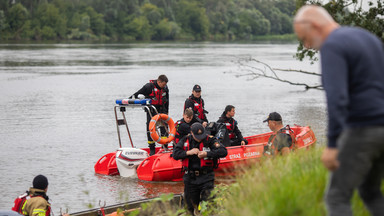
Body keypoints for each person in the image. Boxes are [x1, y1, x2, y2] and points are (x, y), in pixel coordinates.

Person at [294, 5, 384, 216]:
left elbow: (337, 98)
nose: (307, 45)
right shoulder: (367, 37)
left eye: (305, 38)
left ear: (315, 26)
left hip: (363, 129)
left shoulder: (332, 45)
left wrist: (333, 144)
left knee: (336, 197)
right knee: (370, 191)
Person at [172, 123, 228, 215]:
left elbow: (223, 151)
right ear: (192, 133)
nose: (200, 138)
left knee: (209, 205)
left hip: (206, 177)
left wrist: (207, 154)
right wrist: (188, 152)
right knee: (188, 207)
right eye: (197, 136)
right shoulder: (185, 140)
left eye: (201, 135)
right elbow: (175, 154)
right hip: (190, 178)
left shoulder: (209, 139)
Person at [130, 75, 169, 155]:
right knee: (150, 129)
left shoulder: (165, 88)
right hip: (151, 110)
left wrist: (167, 112)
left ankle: (165, 146)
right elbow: (136, 94)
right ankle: (152, 149)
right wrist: (129, 100)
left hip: (162, 110)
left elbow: (167, 100)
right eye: (163, 84)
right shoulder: (149, 87)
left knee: (164, 128)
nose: (164, 86)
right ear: (159, 82)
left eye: (165, 85)